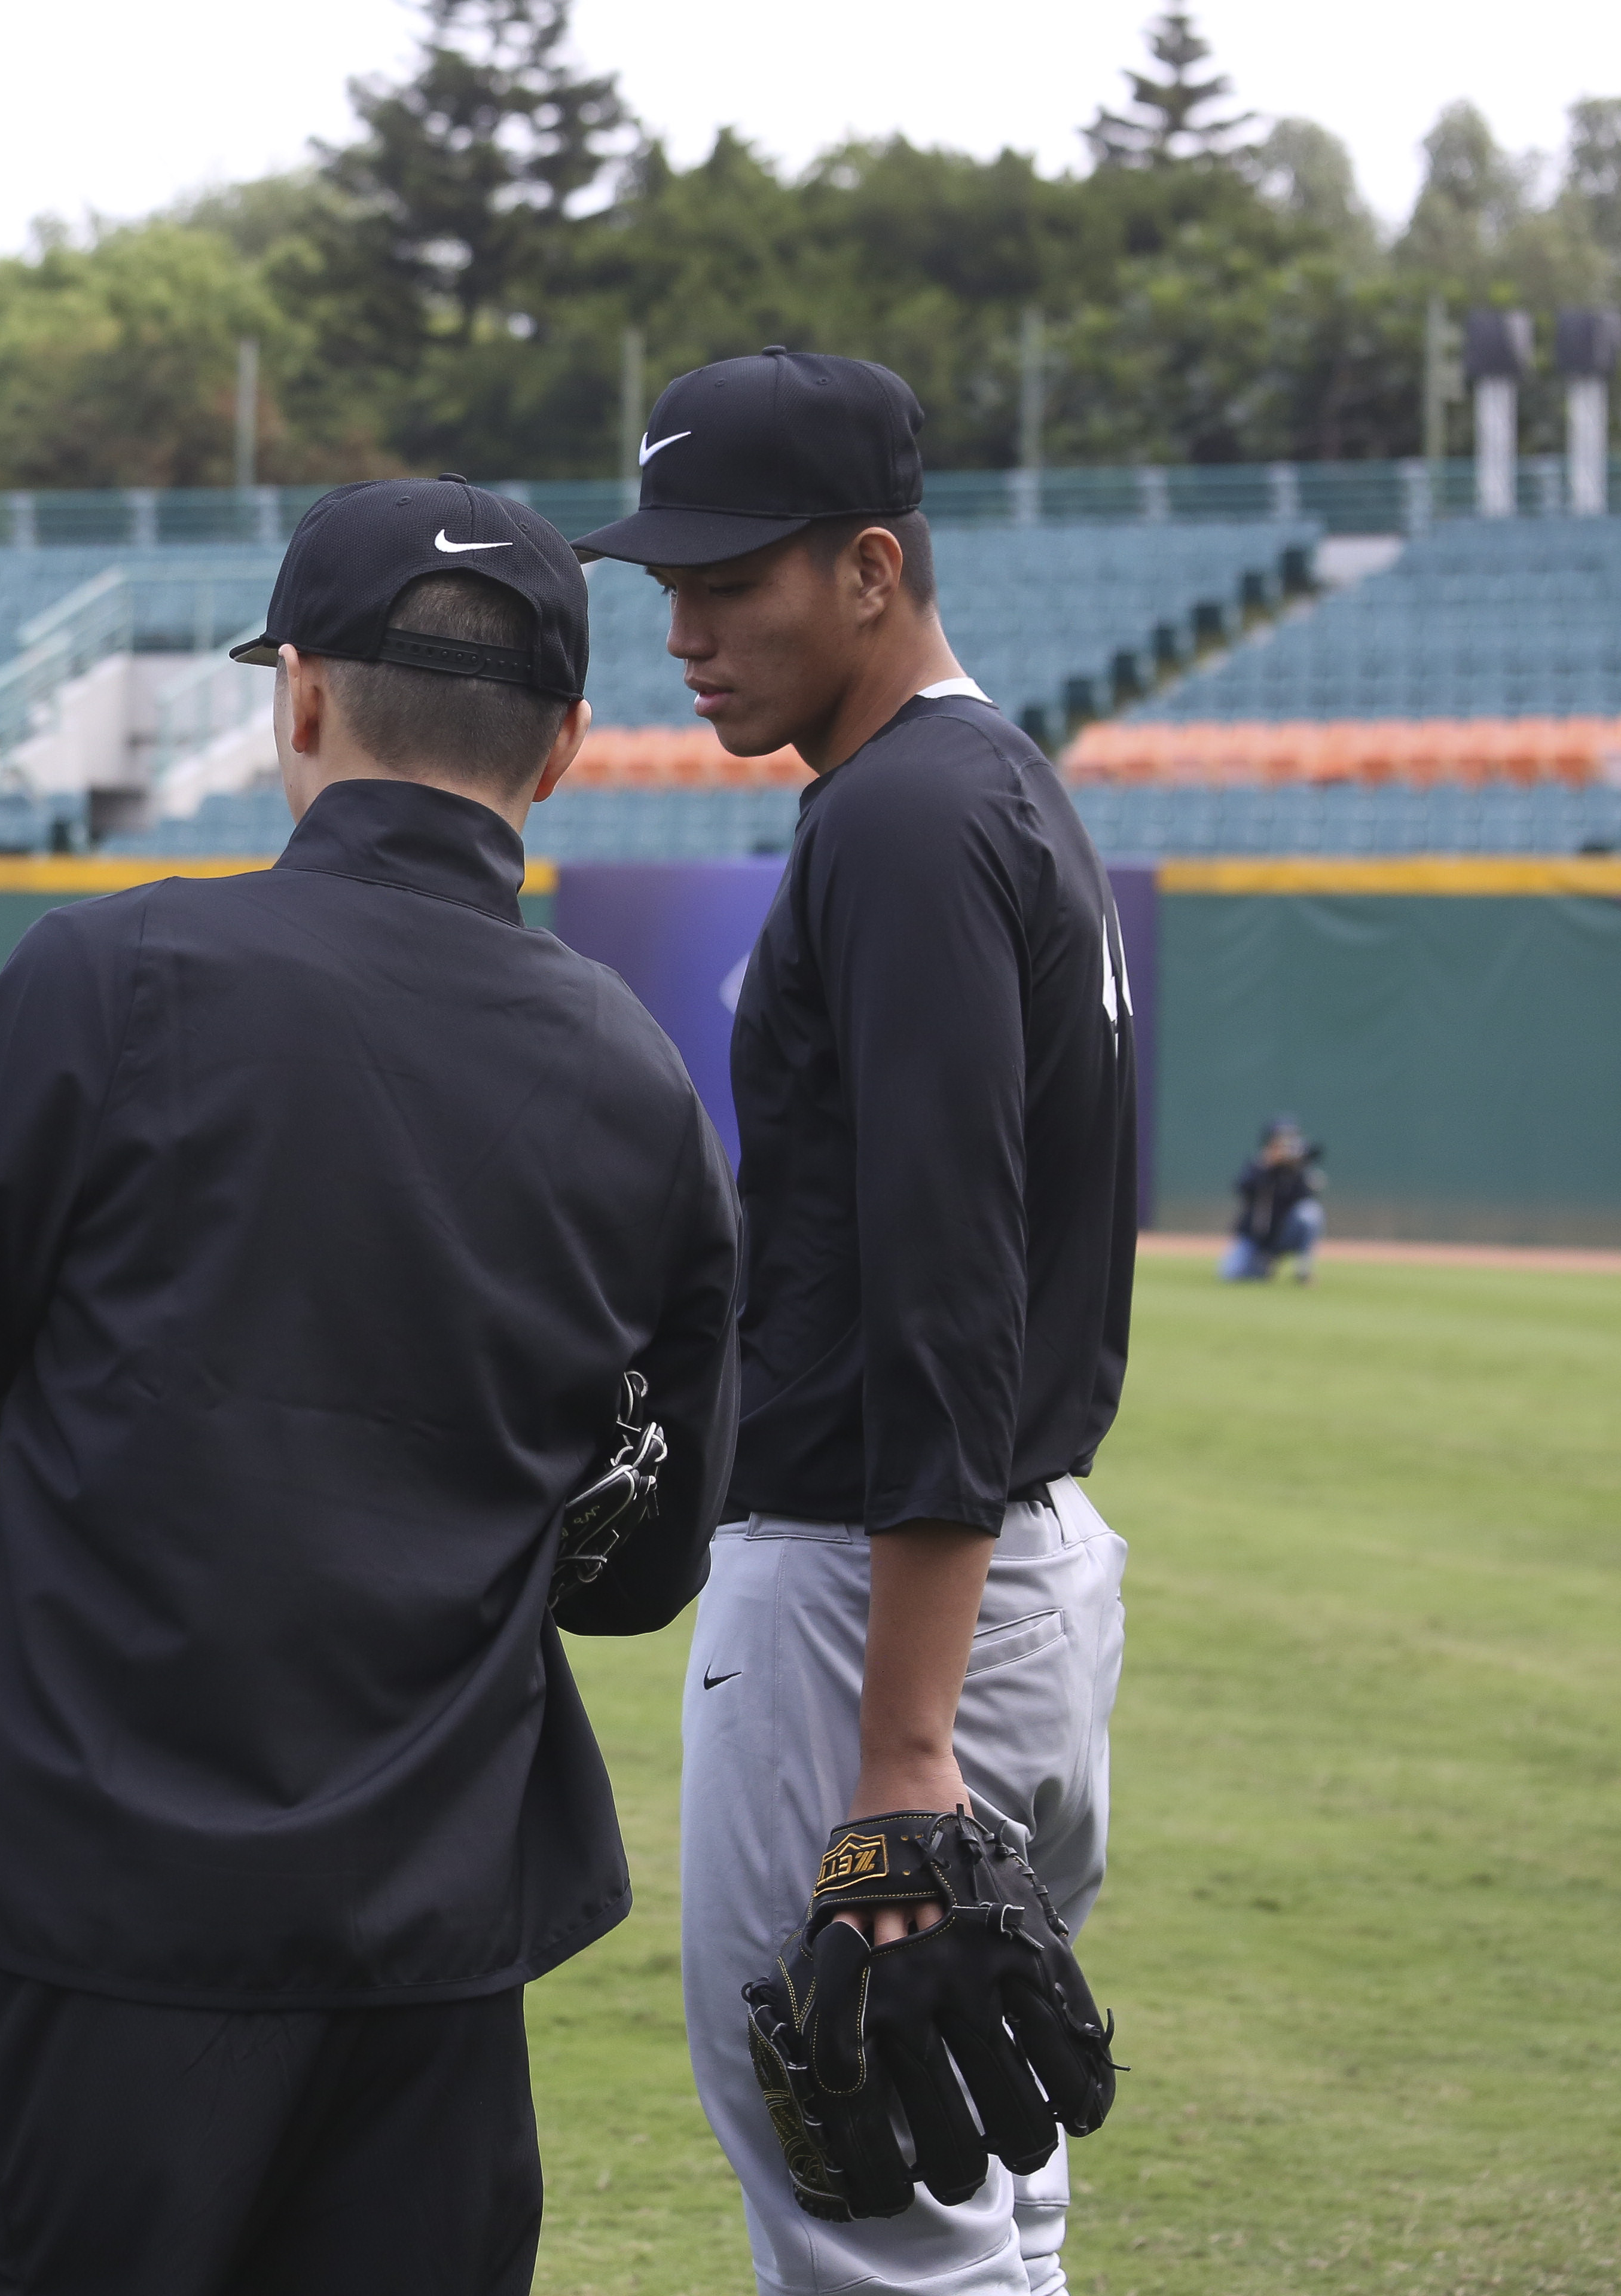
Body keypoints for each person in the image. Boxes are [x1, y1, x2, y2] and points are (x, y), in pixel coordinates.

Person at [0, 478, 743, 2295]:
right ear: (565, 744)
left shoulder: (116, 968)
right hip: (427, 1974)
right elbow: (644, 1566)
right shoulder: (637, 1078)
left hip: (81, 1931)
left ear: (298, 697)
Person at [575, 349, 1139, 2296]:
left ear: (875, 570)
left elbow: (947, 1270)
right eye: (667, 587)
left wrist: (901, 1744)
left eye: (736, 585)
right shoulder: (994, 795)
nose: (685, 633)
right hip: (1007, 1571)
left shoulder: (901, 822)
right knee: (977, 2184)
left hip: (875, 1600)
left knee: (874, 2194)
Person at [1222, 1115, 1325, 1283]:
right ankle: (1266, 1263)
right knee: (1231, 1274)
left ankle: (1303, 1268)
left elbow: (1310, 1193)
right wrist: (1267, 1167)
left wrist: (1298, 1170)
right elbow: (1242, 1188)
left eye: (1290, 1139)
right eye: (1280, 1141)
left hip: (1285, 1235)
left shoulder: (1298, 1170)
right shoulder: (1258, 1165)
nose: (1286, 1146)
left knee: (1311, 1212)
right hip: (1257, 1238)